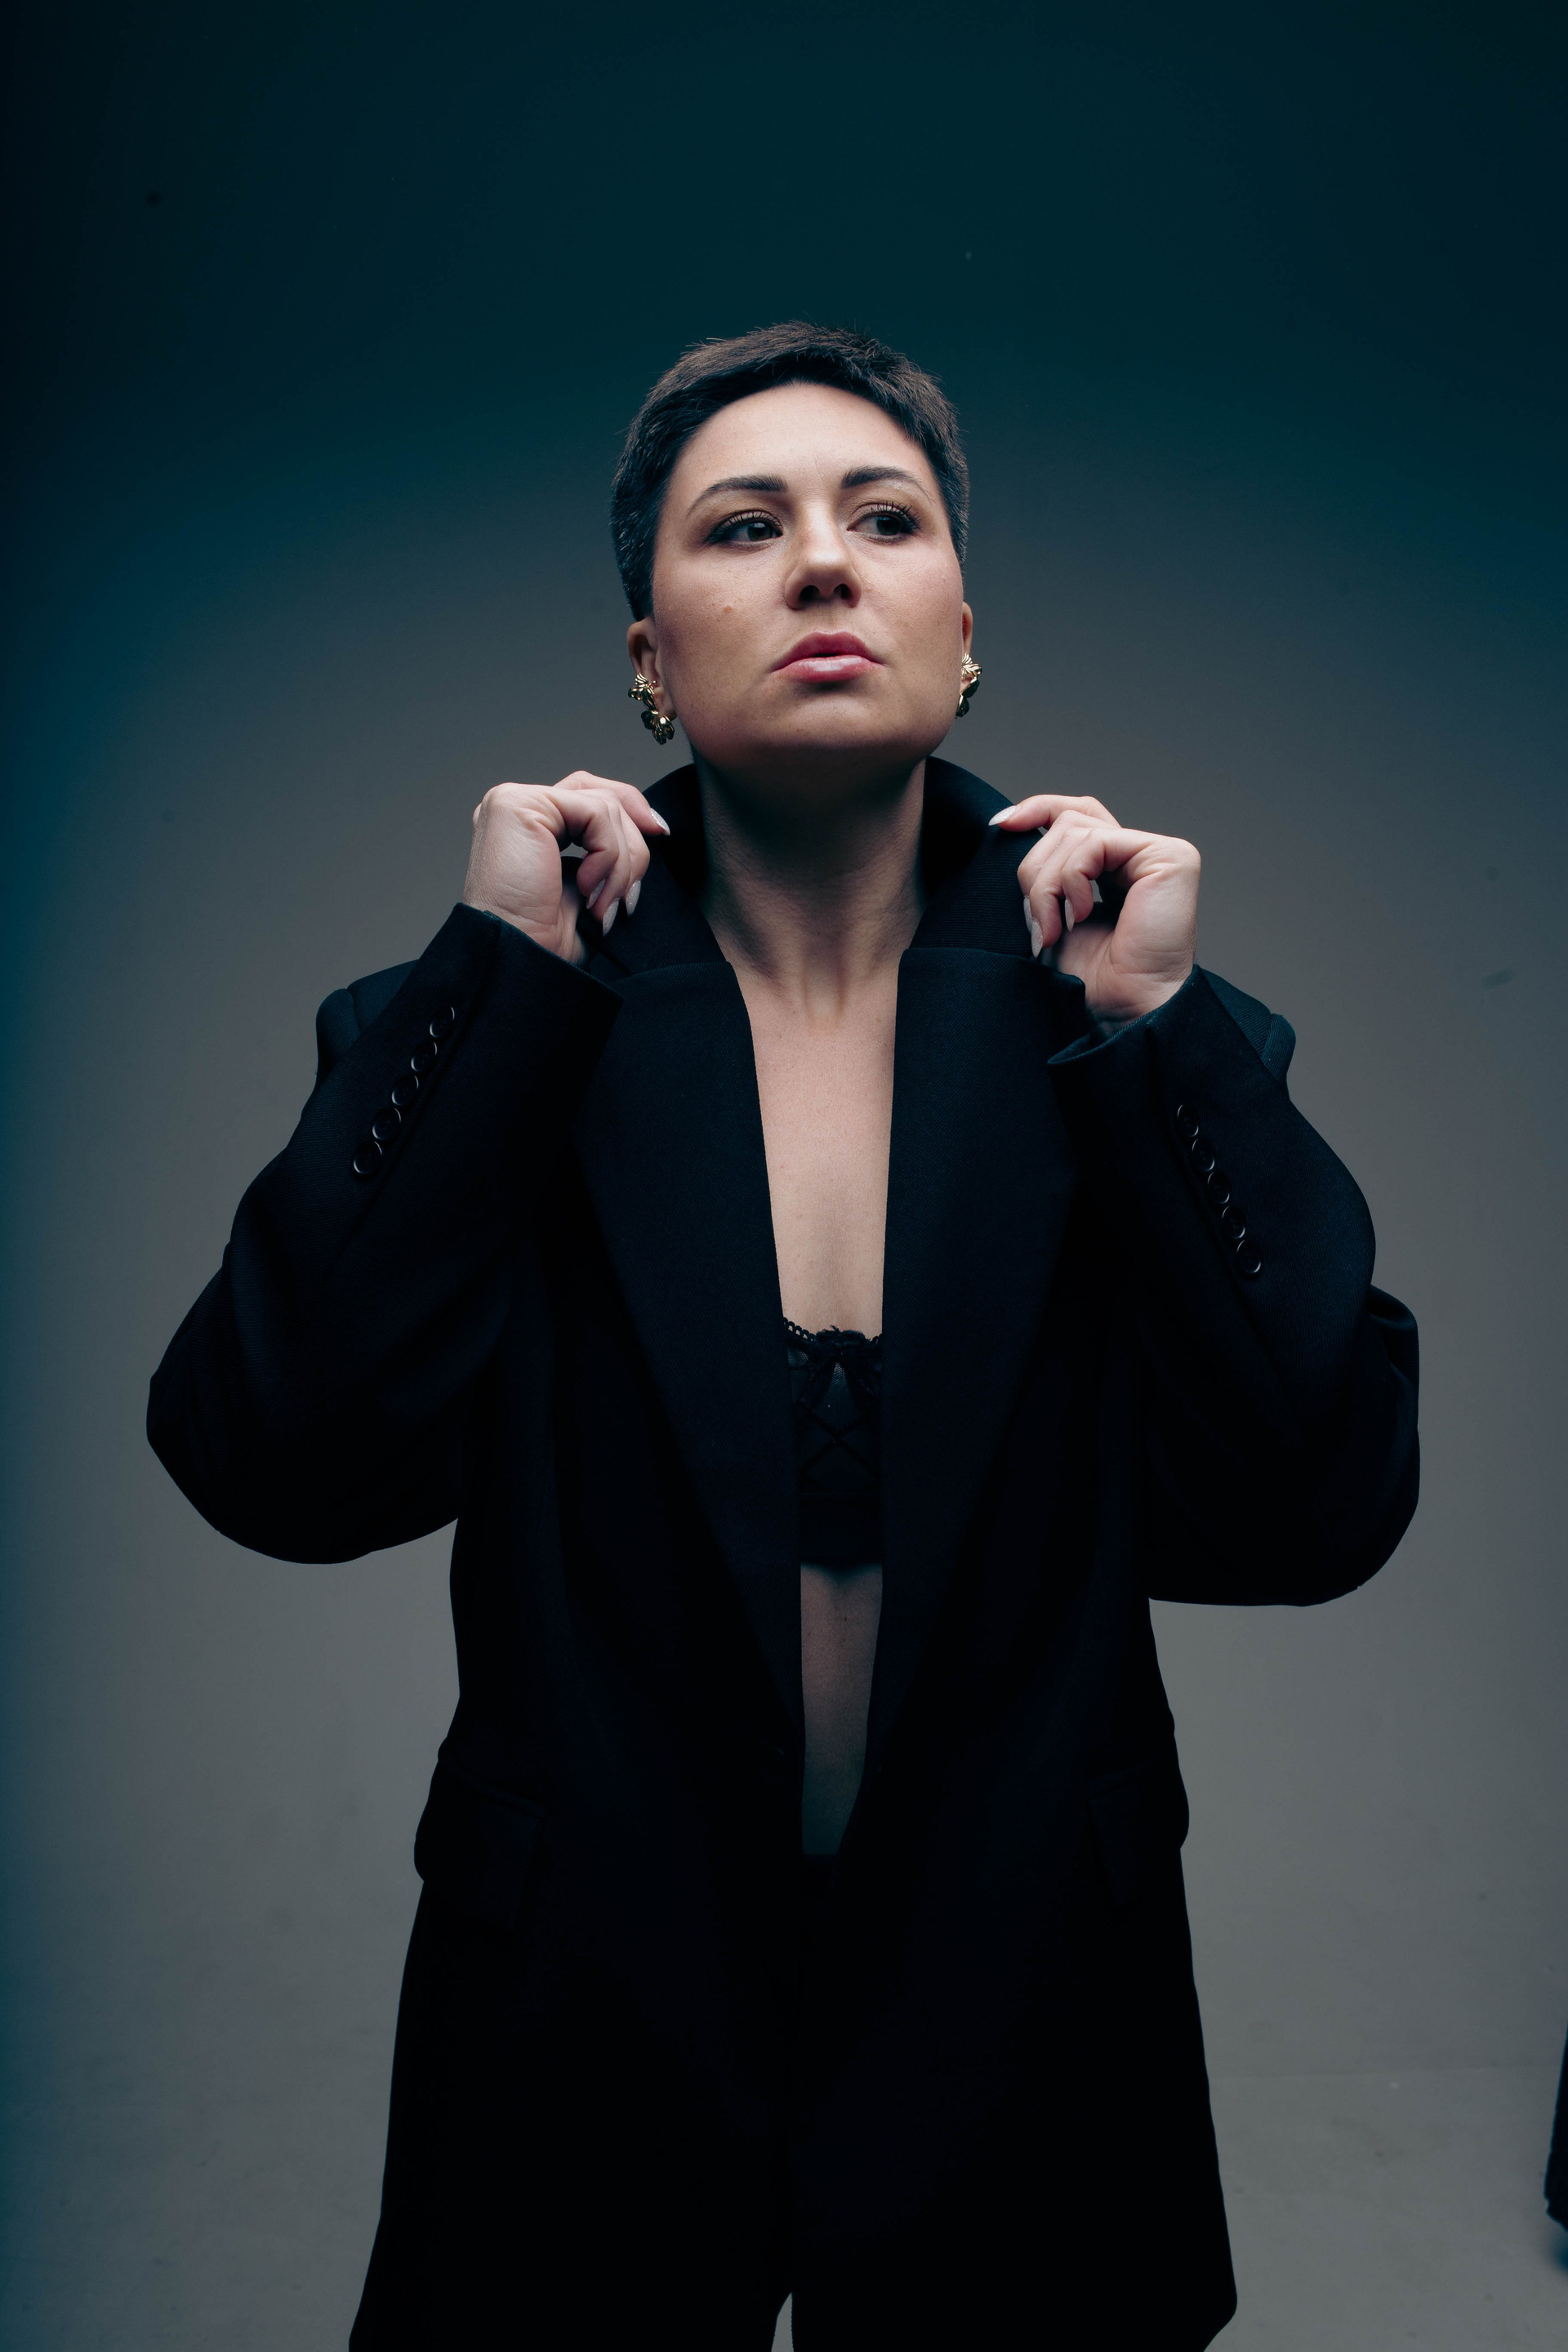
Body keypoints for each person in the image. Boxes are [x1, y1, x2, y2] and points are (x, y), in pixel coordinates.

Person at [149, 323, 1419, 2350]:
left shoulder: (1133, 1032)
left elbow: (1317, 1504)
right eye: (744, 527)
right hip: (582, 2014)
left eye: (883, 519)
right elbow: (276, 1466)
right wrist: (498, 976)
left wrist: (1156, 1042)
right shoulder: (501, 1028)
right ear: (649, 657)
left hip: (1028, 2013)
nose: (825, 561)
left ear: (962, 633)